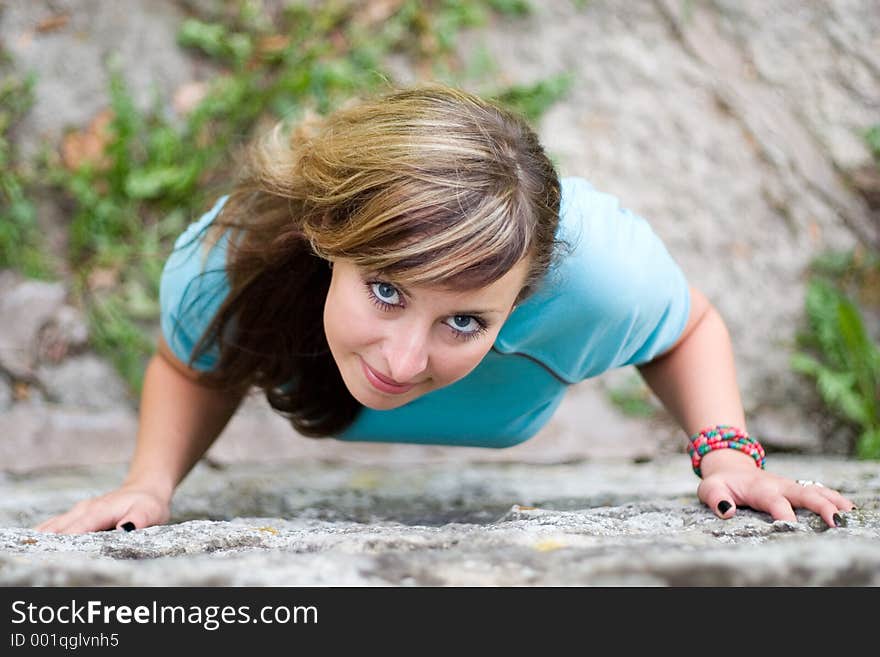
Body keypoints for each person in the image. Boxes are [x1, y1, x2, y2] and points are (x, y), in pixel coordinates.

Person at [35, 84, 854, 535]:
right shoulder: (227, 262)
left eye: (464, 319)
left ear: (527, 299)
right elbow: (193, 363)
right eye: (385, 290)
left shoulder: (604, 278)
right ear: (325, 239)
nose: (400, 360)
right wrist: (149, 484)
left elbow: (687, 327)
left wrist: (727, 454)